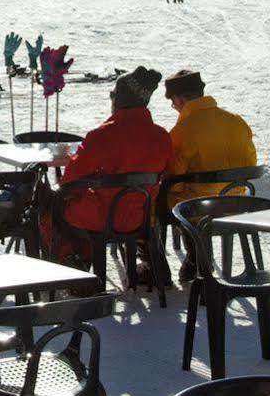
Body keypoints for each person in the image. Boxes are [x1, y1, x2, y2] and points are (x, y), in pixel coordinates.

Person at [38, 68, 173, 260]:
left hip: (102, 217)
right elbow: (167, 172)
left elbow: (70, 180)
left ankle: (71, 262)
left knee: (52, 208)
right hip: (139, 218)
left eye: (113, 93)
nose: (111, 98)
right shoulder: (162, 137)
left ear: (121, 98)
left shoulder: (101, 136)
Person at [160, 70, 257, 211]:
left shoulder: (182, 131)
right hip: (236, 204)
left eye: (173, 103)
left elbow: (175, 184)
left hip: (197, 209)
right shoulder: (236, 121)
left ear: (179, 99)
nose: (175, 108)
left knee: (157, 199)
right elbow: (250, 163)